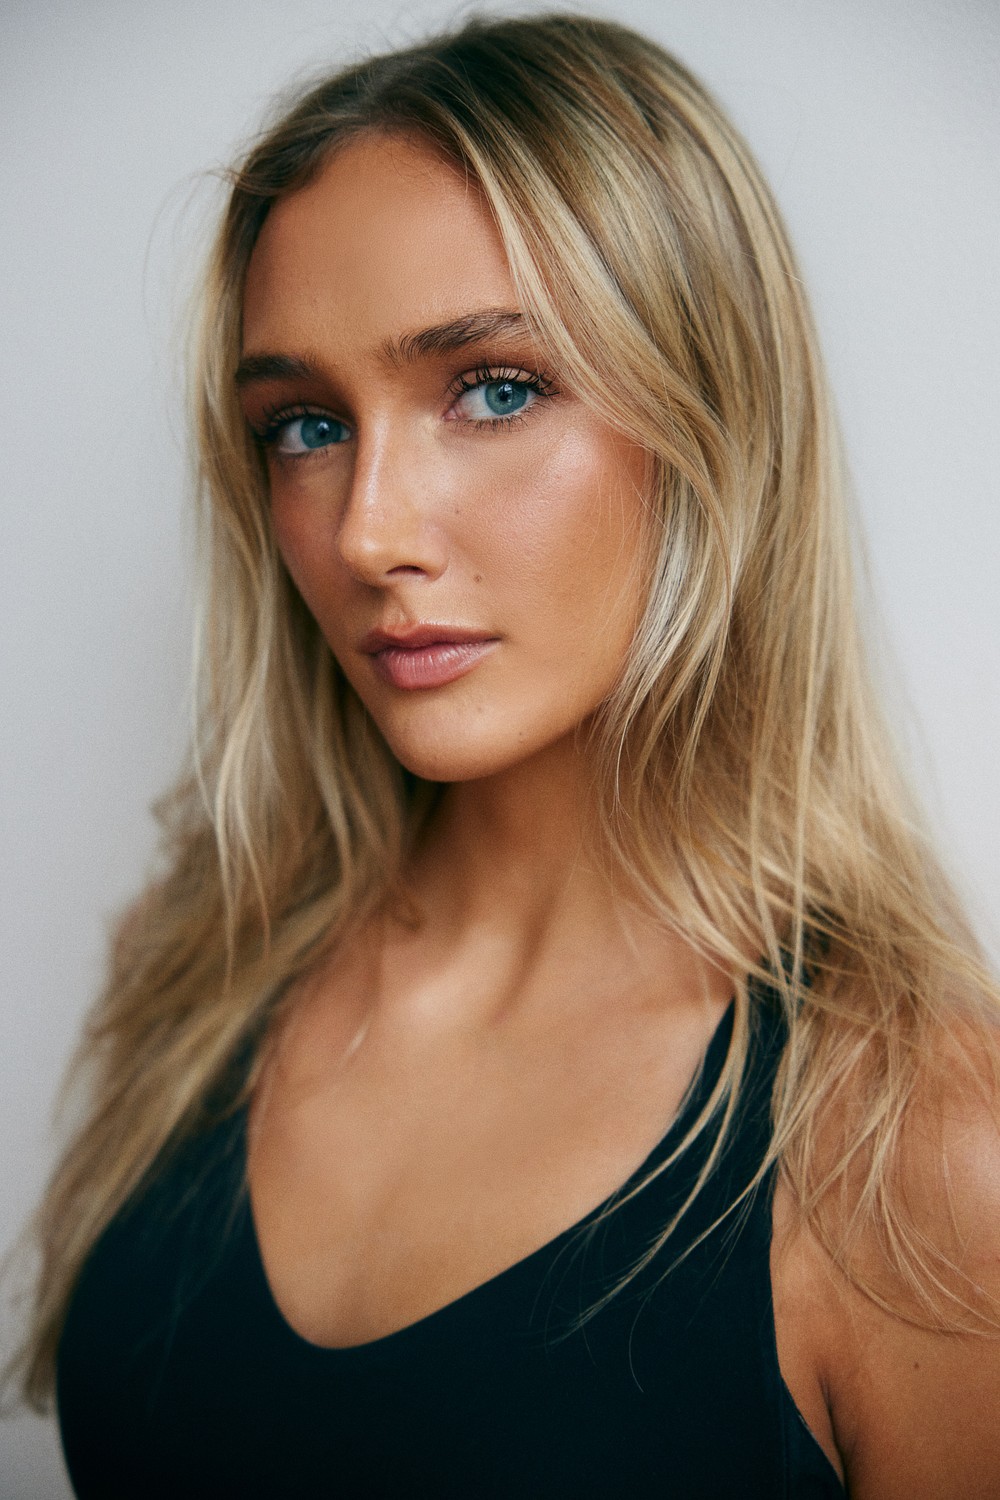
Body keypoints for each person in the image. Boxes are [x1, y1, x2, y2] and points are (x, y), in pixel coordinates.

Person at [12, 11, 1000, 1497]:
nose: (367, 531)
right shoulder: (205, 968)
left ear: (712, 415)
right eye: (303, 426)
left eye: (494, 388)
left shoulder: (915, 1144)